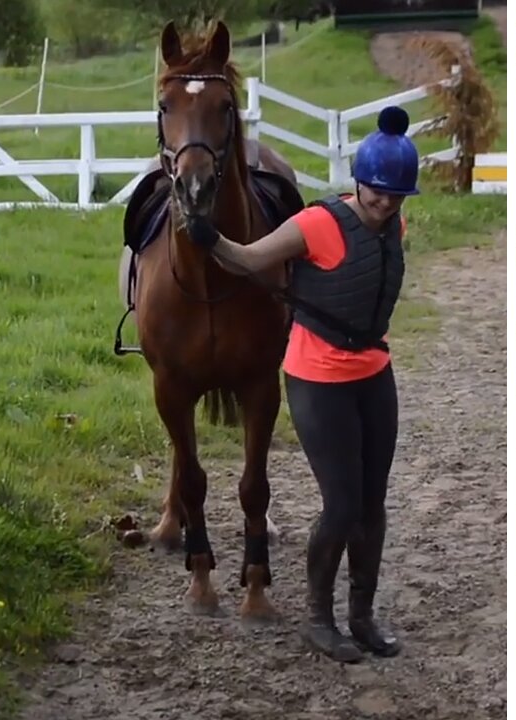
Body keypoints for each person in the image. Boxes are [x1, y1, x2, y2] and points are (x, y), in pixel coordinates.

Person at [182, 104, 418, 663]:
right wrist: (208, 237)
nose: (384, 203)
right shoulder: (317, 224)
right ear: (359, 182)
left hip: (373, 374)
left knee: (373, 503)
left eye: (395, 195)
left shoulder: (396, 226)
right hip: (317, 379)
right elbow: (247, 260)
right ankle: (319, 619)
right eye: (376, 191)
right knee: (340, 505)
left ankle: (361, 615)